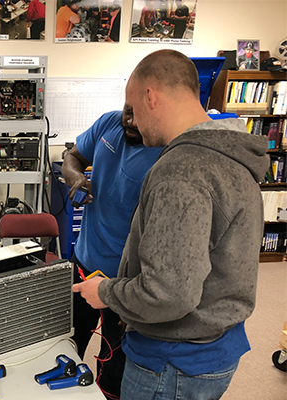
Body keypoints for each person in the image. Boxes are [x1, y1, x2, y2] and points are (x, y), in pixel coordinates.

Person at [72, 49, 270, 400]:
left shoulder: (181, 172)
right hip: (214, 346)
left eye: (133, 108)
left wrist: (104, 292)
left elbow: (166, 294)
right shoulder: (232, 154)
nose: (131, 121)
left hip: (172, 362)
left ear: (150, 96)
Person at [62, 108, 162, 399]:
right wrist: (74, 177)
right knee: (66, 345)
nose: (129, 121)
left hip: (125, 281)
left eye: (138, 115)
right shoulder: (108, 122)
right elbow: (73, 156)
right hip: (83, 264)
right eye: (127, 111)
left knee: (114, 363)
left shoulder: (168, 152)